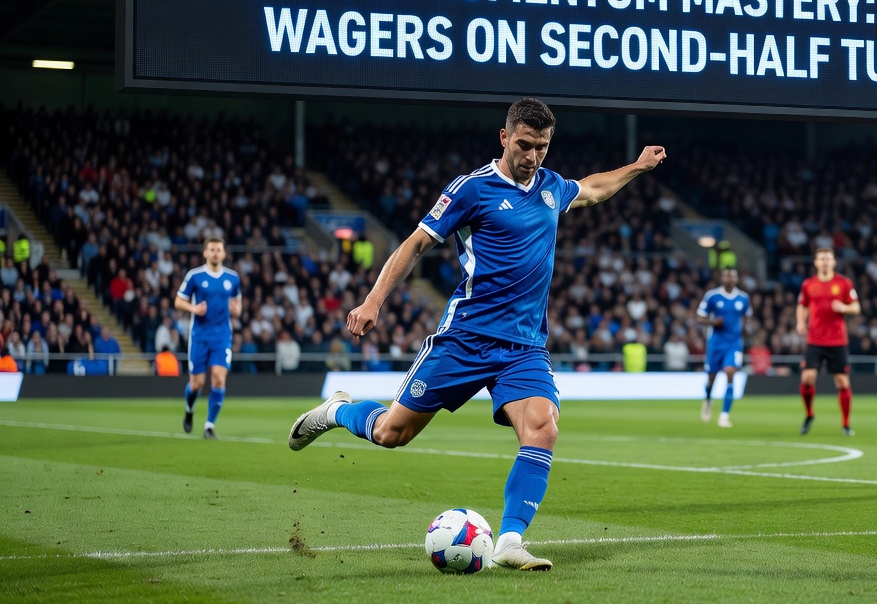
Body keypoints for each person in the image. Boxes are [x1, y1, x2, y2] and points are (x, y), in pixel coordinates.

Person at [287, 98, 666, 571]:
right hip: (466, 338)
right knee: (391, 433)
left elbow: (592, 189)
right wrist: (373, 300)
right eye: (525, 145)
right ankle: (337, 410)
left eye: (542, 147)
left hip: (524, 346)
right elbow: (416, 242)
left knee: (543, 428)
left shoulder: (551, 186)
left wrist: (637, 166)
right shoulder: (473, 189)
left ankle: (509, 541)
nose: (532, 157)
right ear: (505, 138)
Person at [174, 237, 241, 440]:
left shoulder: (233, 278)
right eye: (211, 249)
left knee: (219, 379)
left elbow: (238, 306)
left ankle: (209, 426)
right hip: (200, 336)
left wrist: (235, 310)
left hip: (222, 336)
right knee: (196, 384)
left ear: (223, 253)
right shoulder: (194, 276)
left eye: (218, 249)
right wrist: (193, 308)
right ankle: (189, 409)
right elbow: (178, 301)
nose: (215, 253)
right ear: (205, 253)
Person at [796, 246, 861, 436]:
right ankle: (809, 414)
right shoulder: (808, 284)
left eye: (828, 258)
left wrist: (844, 307)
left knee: (842, 382)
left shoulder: (844, 283)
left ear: (834, 262)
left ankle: (846, 424)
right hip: (814, 339)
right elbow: (802, 305)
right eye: (821, 258)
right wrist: (800, 322)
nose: (825, 261)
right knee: (807, 378)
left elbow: (856, 307)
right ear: (816, 262)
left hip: (837, 340)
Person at [696, 267, 752, 428]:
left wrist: (748, 329)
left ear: (736, 279)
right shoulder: (712, 296)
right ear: (722, 278)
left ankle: (724, 415)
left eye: (732, 275)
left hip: (734, 343)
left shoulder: (743, 298)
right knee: (711, 378)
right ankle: (707, 400)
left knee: (730, 373)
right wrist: (713, 322)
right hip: (716, 342)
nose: (729, 278)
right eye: (726, 275)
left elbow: (748, 318)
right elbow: (699, 317)